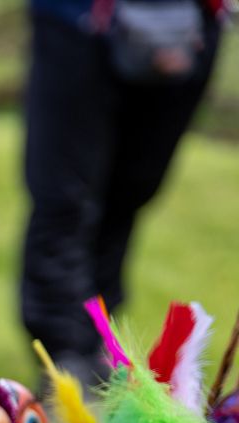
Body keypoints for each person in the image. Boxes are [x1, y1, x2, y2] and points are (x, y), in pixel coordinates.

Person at [20, 0, 224, 381]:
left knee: (130, 192)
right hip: (77, 21)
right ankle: (65, 354)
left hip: (190, 25)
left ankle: (98, 338)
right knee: (65, 200)